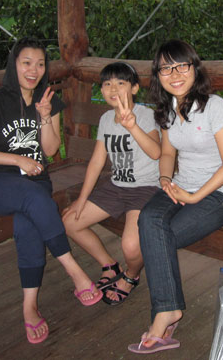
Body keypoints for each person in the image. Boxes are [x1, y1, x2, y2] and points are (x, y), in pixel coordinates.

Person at [0, 37, 102, 345]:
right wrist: (17, 159)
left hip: (36, 181)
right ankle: (73, 269)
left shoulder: (47, 100)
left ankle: (29, 305)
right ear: (13, 65)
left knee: (28, 223)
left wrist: (44, 116)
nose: (33, 70)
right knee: (36, 200)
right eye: (26, 63)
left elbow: (50, 150)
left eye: (40, 64)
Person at [128, 40, 223, 354]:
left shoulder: (214, 106)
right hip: (180, 185)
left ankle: (165, 313)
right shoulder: (167, 109)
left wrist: (194, 197)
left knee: (158, 238)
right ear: (158, 75)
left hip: (218, 194)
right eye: (166, 68)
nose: (175, 74)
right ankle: (169, 310)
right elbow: (167, 153)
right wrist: (165, 179)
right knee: (148, 219)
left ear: (194, 69)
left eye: (182, 66)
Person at [61, 61, 161, 305]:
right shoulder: (106, 119)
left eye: (121, 83)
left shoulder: (147, 116)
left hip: (145, 188)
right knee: (70, 221)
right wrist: (82, 199)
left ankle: (131, 275)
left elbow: (156, 152)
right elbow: (97, 161)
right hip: (117, 187)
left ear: (134, 88)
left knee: (131, 246)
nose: (113, 89)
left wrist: (132, 126)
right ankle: (109, 265)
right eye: (107, 84)